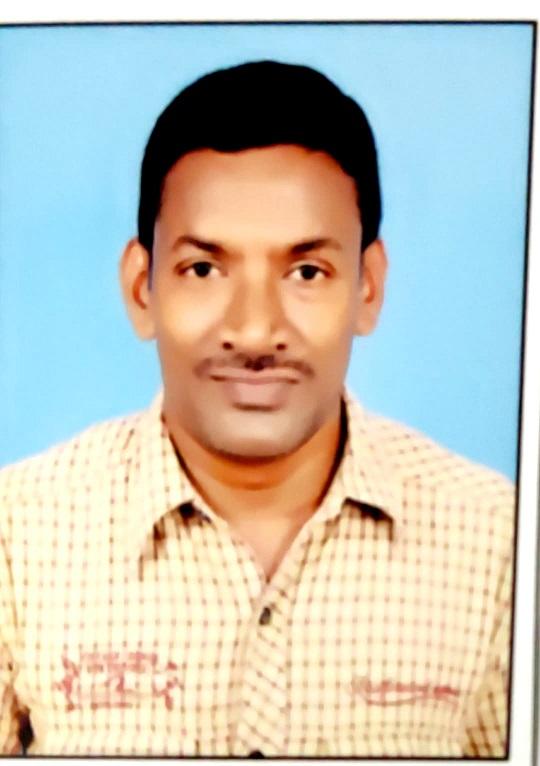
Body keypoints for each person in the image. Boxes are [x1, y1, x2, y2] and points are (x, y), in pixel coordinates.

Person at [0, 60, 514, 758]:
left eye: (306, 272)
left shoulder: (497, 544)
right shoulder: (18, 537)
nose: (253, 330)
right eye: (204, 269)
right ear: (142, 288)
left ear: (367, 287)